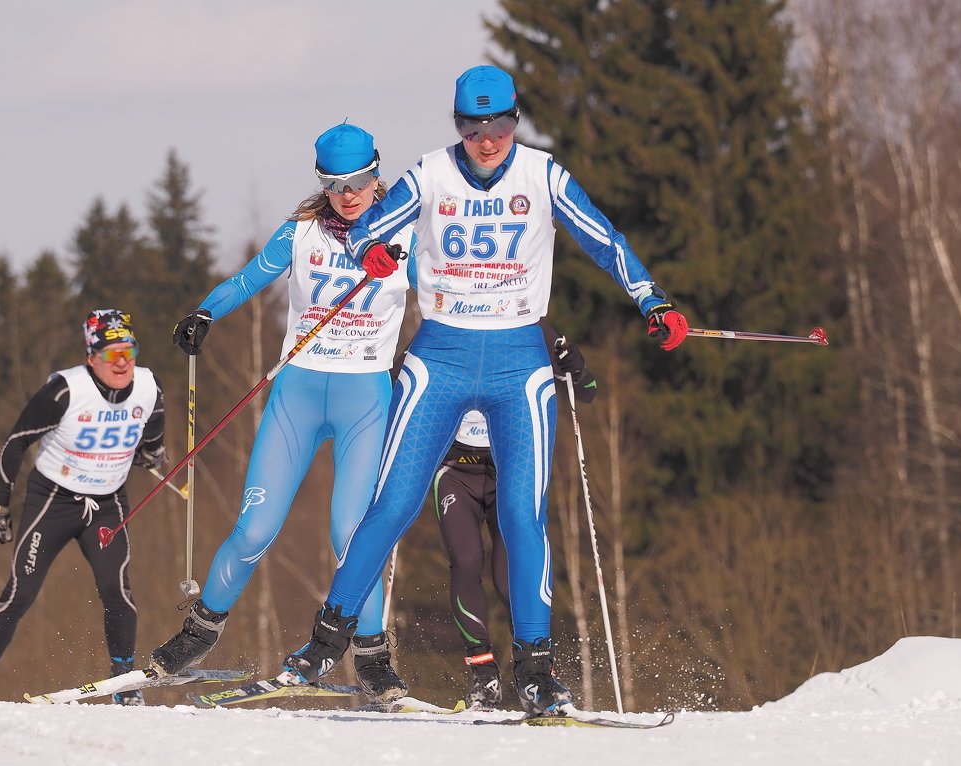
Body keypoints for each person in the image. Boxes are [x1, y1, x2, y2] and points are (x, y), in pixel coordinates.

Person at [281, 65, 688, 717]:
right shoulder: (429, 173)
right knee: (390, 504)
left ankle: (535, 670)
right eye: (472, 125)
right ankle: (324, 640)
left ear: (514, 119)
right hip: (438, 354)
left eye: (497, 122)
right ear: (457, 126)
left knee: (521, 516)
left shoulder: (542, 174)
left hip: (516, 361)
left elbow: (603, 238)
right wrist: (373, 252)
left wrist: (651, 299)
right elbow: (363, 234)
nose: (486, 138)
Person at [151, 123, 417, 703]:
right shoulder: (301, 233)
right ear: (321, 183)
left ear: (378, 175)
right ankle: (199, 632)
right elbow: (248, 279)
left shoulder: (407, 237)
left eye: (360, 182)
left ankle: (372, 656)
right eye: (335, 184)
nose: (349, 195)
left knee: (353, 534)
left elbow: (456, 298)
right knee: (256, 528)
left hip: (365, 395)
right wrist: (204, 313)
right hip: (297, 391)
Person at [0, 310, 166, 704]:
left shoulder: (148, 385)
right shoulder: (65, 390)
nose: (122, 362)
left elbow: (154, 427)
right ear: (91, 357)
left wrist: (152, 453)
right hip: (54, 500)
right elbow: (16, 442)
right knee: (20, 593)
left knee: (117, 590)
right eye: (111, 353)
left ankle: (123, 683)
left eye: (128, 351)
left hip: (107, 502)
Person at [435, 321, 595, 710]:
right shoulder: (445, 323)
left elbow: (586, 391)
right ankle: (484, 675)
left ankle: (536, 673)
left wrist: (574, 365)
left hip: (512, 471)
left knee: (511, 578)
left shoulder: (533, 327)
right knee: (466, 560)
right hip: (457, 471)